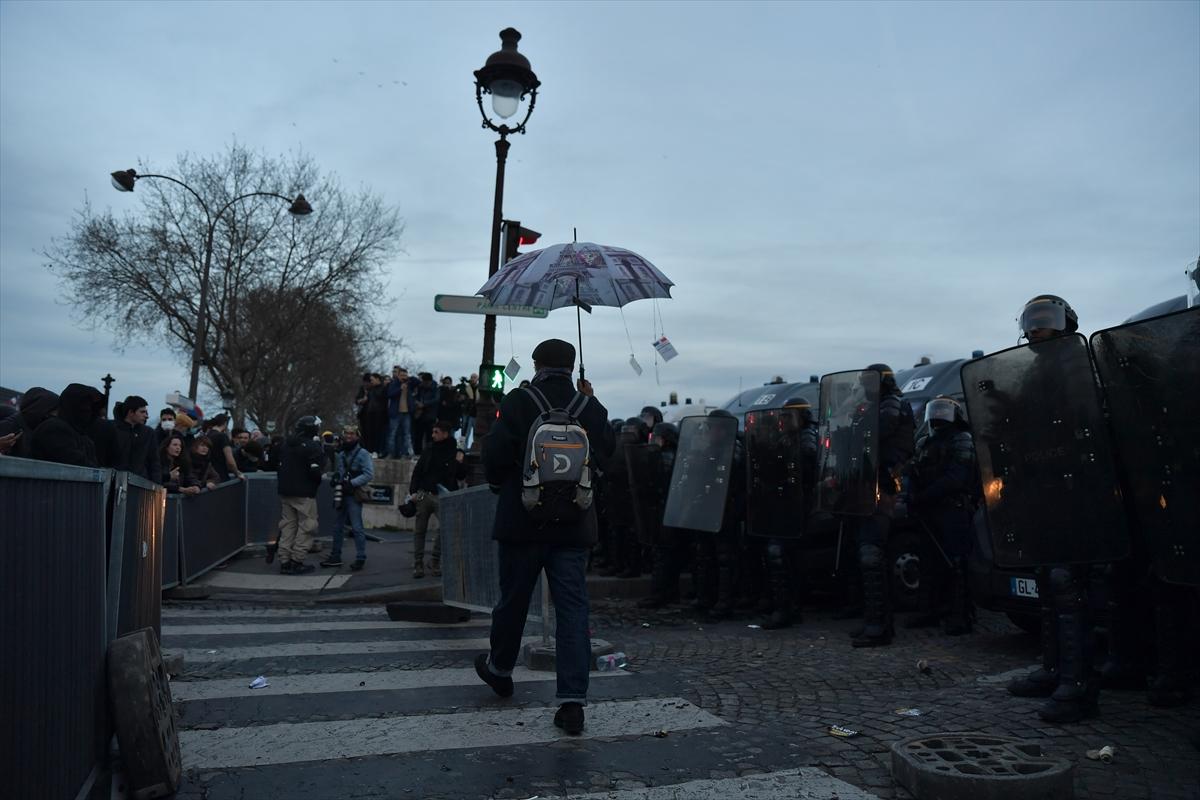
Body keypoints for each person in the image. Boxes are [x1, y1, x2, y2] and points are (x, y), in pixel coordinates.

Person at [474, 338, 615, 736]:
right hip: (573, 525)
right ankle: (572, 702)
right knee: (573, 611)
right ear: (572, 368)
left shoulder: (519, 402)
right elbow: (608, 456)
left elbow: (495, 456)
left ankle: (500, 668)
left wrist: (508, 487)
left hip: (522, 523)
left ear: (537, 364)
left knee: (513, 602)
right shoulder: (590, 407)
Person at [900, 396, 977, 635]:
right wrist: (911, 492)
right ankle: (929, 610)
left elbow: (956, 478)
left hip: (952, 509)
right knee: (928, 562)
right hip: (929, 510)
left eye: (943, 411)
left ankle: (961, 614)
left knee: (956, 563)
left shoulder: (962, 439)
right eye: (935, 411)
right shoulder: (924, 442)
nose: (938, 416)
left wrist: (922, 496)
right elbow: (912, 469)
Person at [850, 364, 915, 648]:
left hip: (882, 486)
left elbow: (875, 433)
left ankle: (879, 626)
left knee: (871, 554)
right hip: (868, 484)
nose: (865, 386)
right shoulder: (876, 406)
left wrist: (851, 426)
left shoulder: (891, 406)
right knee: (870, 556)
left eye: (869, 381)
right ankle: (876, 620)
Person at [408, 420, 468, 578]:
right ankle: (418, 563)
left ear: (445, 434)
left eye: (436, 432)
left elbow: (461, 475)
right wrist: (413, 492)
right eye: (433, 432)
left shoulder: (454, 451)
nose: (433, 435)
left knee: (445, 529)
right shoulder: (429, 448)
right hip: (425, 494)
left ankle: (435, 560)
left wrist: (460, 461)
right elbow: (418, 470)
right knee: (420, 530)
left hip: (444, 495)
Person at [275, 416, 325, 575]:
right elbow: (316, 472)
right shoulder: (312, 446)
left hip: (285, 491)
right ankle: (297, 561)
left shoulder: (285, 445)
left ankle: (284, 560)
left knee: (288, 526)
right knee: (307, 526)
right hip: (304, 493)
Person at [321, 425, 374, 570]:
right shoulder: (342, 453)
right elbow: (340, 471)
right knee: (337, 527)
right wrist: (335, 478)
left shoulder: (363, 454)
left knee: (356, 527)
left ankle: (360, 557)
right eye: (346, 434)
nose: (348, 436)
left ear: (357, 436)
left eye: (352, 434)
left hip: (353, 494)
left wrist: (351, 483)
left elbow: (369, 474)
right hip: (342, 492)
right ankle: (335, 556)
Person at [31, 383, 103, 467]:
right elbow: (75, 463)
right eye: (85, 405)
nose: (89, 410)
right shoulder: (54, 428)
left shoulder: (80, 434)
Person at [111, 395, 162, 484]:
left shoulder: (148, 433)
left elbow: (154, 461)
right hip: (114, 482)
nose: (146, 416)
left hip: (140, 485)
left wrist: (156, 486)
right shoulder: (112, 429)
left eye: (146, 412)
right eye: (142, 412)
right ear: (131, 412)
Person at [386, 366, 418, 458]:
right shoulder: (393, 383)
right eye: (401, 375)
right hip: (395, 413)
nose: (403, 377)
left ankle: (406, 453)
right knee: (392, 433)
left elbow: (418, 382)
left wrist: (408, 378)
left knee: (406, 434)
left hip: (406, 413)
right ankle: (390, 453)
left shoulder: (410, 384)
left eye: (405, 375)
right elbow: (390, 394)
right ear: (398, 376)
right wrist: (400, 388)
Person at [206, 414, 243, 482]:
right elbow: (230, 461)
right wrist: (237, 473)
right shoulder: (222, 436)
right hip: (221, 475)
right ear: (225, 423)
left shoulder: (207, 435)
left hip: (208, 475)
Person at [412, 372, 440, 456]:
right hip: (420, 415)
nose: (424, 384)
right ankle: (417, 453)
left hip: (430, 416)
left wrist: (424, 404)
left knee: (430, 436)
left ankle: (429, 454)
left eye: (426, 382)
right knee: (418, 436)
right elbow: (415, 396)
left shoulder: (436, 388)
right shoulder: (420, 387)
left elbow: (436, 399)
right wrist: (416, 402)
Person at [459, 374, 479, 449]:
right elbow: (462, 398)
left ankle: (475, 448)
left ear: (477, 379)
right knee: (464, 432)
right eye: (472, 377)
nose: (472, 379)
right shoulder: (465, 388)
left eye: (474, 378)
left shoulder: (480, 388)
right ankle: (460, 448)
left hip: (476, 413)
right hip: (467, 413)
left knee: (476, 433)